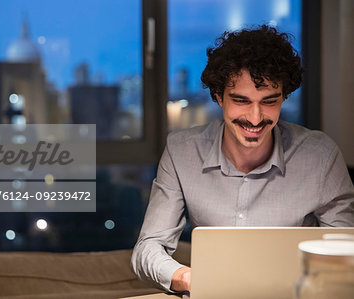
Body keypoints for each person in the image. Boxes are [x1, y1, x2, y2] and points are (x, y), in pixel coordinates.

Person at [131, 25, 354, 293]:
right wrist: (190, 279)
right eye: (241, 101)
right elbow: (147, 248)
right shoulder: (182, 152)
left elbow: (347, 251)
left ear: (284, 97)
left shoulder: (321, 156)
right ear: (218, 97)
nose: (256, 118)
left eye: (269, 101)